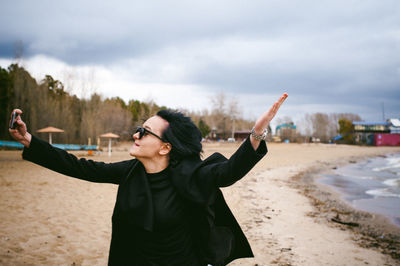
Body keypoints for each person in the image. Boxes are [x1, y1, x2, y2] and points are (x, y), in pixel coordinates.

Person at [9, 93, 288, 266]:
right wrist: (29, 140)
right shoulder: (131, 172)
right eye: (138, 129)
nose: (135, 135)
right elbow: (81, 167)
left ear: (166, 147)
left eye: (144, 132)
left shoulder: (191, 175)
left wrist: (256, 134)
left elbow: (228, 173)